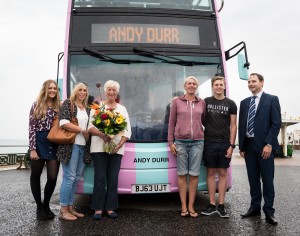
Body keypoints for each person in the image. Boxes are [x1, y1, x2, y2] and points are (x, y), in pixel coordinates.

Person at [238, 73, 281, 225]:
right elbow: (242, 125)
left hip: (265, 147)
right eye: (249, 82)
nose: (250, 84)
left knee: (267, 180)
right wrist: (241, 146)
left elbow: (276, 123)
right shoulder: (244, 103)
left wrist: (269, 144)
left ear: (262, 82)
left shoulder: (272, 99)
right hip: (249, 147)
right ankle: (254, 207)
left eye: (254, 81)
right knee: (253, 179)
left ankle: (269, 211)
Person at [88, 80, 131, 220]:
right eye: (109, 90)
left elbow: (127, 130)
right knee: (100, 178)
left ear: (117, 92)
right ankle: (98, 209)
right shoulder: (98, 107)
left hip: (116, 149)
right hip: (98, 148)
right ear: (105, 91)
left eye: (114, 90)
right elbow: (90, 127)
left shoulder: (122, 109)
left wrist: (119, 144)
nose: (111, 92)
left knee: (113, 179)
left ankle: (111, 208)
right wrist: (102, 134)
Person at [168, 76, 206, 218]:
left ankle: (191, 206)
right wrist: (171, 143)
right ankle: (183, 205)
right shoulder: (177, 102)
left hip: (198, 142)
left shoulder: (202, 103)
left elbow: (204, 121)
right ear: (185, 86)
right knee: (182, 174)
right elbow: (171, 124)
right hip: (180, 143)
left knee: (194, 175)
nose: (191, 86)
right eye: (189, 83)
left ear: (196, 86)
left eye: (194, 84)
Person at [200, 76, 237, 218]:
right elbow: (201, 120)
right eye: (216, 84)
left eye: (221, 84)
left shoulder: (231, 104)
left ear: (224, 86)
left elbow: (233, 126)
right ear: (212, 86)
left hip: (224, 143)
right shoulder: (206, 102)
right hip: (209, 142)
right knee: (210, 173)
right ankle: (211, 204)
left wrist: (231, 145)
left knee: (222, 173)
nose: (219, 87)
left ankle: (221, 205)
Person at [56, 82, 91, 221]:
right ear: (75, 91)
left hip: (83, 147)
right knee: (69, 178)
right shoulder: (68, 104)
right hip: (71, 146)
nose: (82, 92)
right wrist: (81, 130)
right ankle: (63, 210)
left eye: (85, 90)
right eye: (80, 90)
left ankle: (71, 207)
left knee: (76, 178)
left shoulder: (87, 108)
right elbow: (63, 122)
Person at [29, 79, 61, 220]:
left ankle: (46, 204)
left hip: (54, 142)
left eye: (55, 88)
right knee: (35, 174)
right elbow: (31, 129)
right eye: (50, 88)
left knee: (53, 177)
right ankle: (39, 206)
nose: (53, 90)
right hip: (39, 140)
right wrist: (33, 149)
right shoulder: (36, 105)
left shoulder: (59, 106)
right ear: (45, 90)